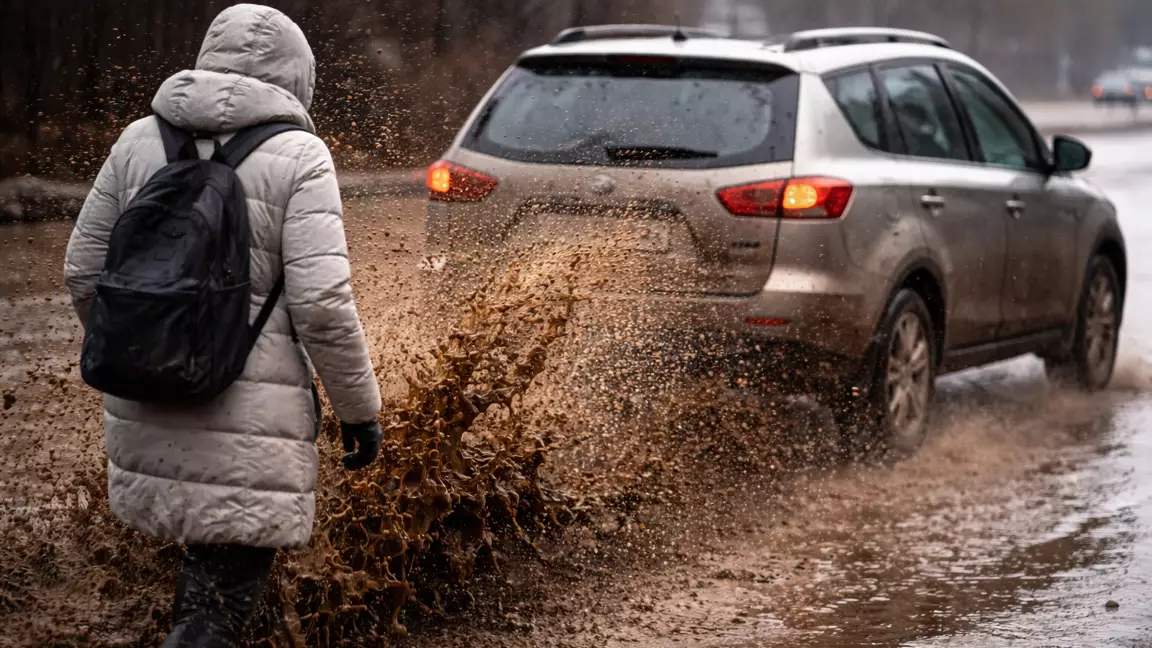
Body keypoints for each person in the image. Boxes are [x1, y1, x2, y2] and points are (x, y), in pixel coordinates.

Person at [63, 4, 383, 645]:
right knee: (213, 612)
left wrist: (141, 352)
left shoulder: (136, 141)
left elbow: (80, 271)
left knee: (204, 576)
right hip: (250, 424)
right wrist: (359, 412)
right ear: (298, 78)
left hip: (143, 404)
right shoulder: (301, 156)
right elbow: (322, 307)